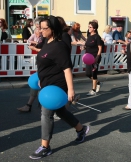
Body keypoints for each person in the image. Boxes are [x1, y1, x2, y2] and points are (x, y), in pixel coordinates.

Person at [29, 15, 89, 160]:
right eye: (40, 28)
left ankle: (45, 147)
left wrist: (71, 90)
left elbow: (67, 69)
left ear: (53, 29)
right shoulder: (46, 41)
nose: (41, 31)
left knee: (46, 113)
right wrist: (40, 79)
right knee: (61, 111)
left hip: (57, 85)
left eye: (44, 28)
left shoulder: (59, 46)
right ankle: (81, 130)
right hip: (46, 84)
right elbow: (44, 63)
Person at [17, 17, 44, 113]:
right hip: (42, 63)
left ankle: (40, 105)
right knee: (36, 83)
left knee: (42, 84)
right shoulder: (41, 37)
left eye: (40, 27)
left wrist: (35, 48)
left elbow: (45, 51)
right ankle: (30, 105)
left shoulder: (46, 38)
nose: (38, 29)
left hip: (47, 65)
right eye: (37, 27)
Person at [85, 21, 103, 96]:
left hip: (95, 57)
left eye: (90, 27)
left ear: (94, 28)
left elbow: (100, 48)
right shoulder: (89, 36)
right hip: (88, 57)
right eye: (88, 27)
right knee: (88, 74)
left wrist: (97, 57)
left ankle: (93, 90)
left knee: (93, 73)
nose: (88, 28)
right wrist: (83, 47)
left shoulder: (97, 37)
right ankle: (98, 82)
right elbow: (88, 45)